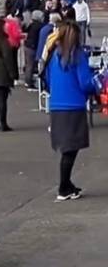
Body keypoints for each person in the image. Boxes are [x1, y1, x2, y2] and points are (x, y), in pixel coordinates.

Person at [45, 20, 99, 202]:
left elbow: (48, 79)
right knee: (70, 149)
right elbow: (86, 83)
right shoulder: (78, 56)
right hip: (73, 105)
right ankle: (63, 186)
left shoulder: (55, 56)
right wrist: (97, 81)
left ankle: (66, 184)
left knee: (66, 148)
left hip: (56, 105)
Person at [23, 10, 45, 90]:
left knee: (28, 64)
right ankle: (29, 83)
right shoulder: (39, 26)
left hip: (27, 45)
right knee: (30, 65)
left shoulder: (31, 25)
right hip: (32, 46)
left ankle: (27, 80)